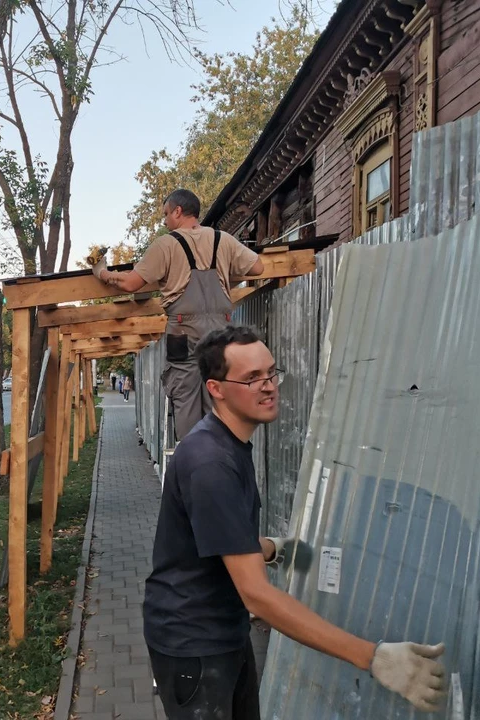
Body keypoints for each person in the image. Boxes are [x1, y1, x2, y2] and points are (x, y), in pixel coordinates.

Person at [142, 326, 446, 719]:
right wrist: (372, 657)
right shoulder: (210, 463)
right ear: (216, 389)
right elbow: (258, 597)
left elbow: (215, 535)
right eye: (251, 379)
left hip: (222, 629)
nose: (268, 387)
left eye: (271, 373)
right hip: (193, 643)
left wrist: (271, 548)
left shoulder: (227, 444)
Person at [93, 189, 265, 440]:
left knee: (185, 396)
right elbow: (258, 266)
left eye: (166, 214)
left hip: (182, 332)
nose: (164, 221)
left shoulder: (166, 245)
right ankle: (223, 460)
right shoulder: (222, 240)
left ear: (178, 211)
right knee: (222, 395)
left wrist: (102, 273)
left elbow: (131, 284)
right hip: (222, 332)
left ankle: (193, 461)